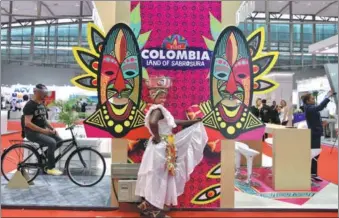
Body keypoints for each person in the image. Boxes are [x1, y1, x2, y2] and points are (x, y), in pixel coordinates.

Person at [135, 76, 208, 218]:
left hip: (162, 146)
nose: (163, 98)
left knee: (157, 176)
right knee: (159, 177)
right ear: (153, 96)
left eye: (164, 96)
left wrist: (192, 122)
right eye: (160, 96)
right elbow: (153, 122)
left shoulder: (158, 109)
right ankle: (154, 209)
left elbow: (175, 122)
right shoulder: (157, 110)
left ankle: (149, 208)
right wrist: (157, 137)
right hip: (161, 147)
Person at [23, 84, 63, 176]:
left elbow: (44, 119)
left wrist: (52, 128)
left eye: (44, 93)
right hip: (31, 133)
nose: (44, 95)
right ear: (35, 92)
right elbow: (28, 123)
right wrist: (44, 131)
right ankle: (50, 168)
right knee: (52, 142)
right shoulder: (30, 105)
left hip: (41, 131)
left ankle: (45, 156)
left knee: (59, 141)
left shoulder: (41, 104)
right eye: (42, 93)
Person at [302, 91, 335, 182]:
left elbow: (314, 119)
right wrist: (328, 97)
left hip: (315, 133)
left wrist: (321, 123)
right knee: (314, 153)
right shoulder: (309, 108)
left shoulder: (309, 108)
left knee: (315, 153)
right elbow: (320, 107)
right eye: (312, 99)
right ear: (308, 101)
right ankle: (312, 173)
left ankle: (313, 173)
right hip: (314, 134)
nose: (314, 100)